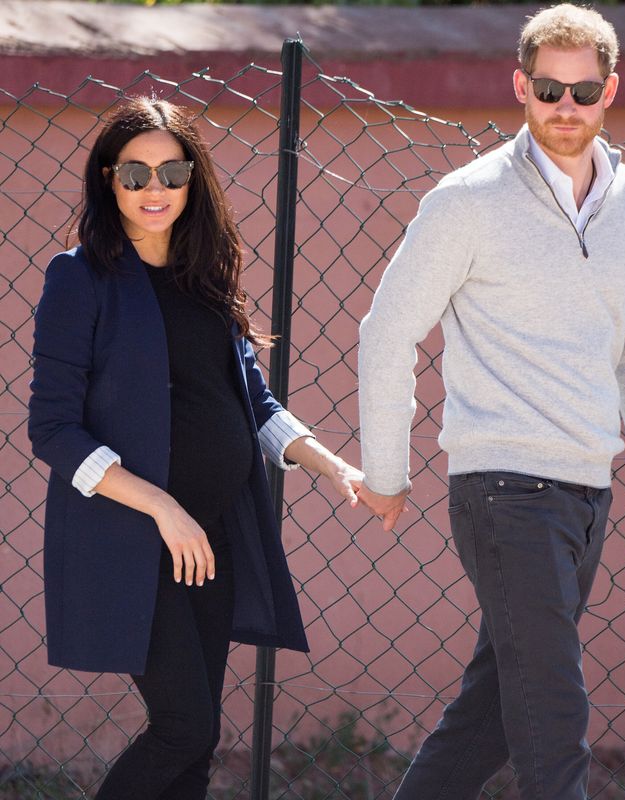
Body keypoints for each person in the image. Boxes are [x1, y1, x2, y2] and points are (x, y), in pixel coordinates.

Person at [357, 4, 625, 798]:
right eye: (547, 89)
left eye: (582, 91)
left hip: (587, 495)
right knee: (552, 717)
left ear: (610, 91)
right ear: (519, 87)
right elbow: (386, 332)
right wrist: (387, 474)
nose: (564, 108)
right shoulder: (466, 200)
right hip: (502, 491)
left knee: (493, 715)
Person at [28, 97, 362, 800]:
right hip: (135, 536)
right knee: (186, 727)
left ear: (193, 180)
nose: (156, 189)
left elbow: (253, 403)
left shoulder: (204, 275)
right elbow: (53, 430)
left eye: (172, 172)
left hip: (207, 539)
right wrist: (162, 509)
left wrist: (328, 463)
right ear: (107, 180)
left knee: (197, 742)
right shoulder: (79, 278)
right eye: (136, 173)